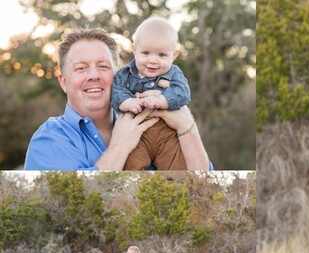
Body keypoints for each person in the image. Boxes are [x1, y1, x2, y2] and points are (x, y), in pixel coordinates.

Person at [23, 27, 210, 170]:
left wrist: (186, 126)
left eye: (103, 66)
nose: (94, 75)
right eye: (81, 68)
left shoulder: (152, 119)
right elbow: (75, 208)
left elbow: (208, 192)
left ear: (119, 75)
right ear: (64, 82)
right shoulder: (49, 140)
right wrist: (120, 147)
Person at [112, 17, 191, 170]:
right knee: (131, 164)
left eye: (162, 55)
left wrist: (162, 100)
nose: (153, 61)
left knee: (176, 167)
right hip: (137, 136)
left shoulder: (174, 74)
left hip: (167, 135)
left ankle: (175, 191)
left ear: (174, 55)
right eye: (146, 53)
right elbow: (116, 91)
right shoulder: (125, 73)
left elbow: (183, 93)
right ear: (134, 50)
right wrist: (129, 102)